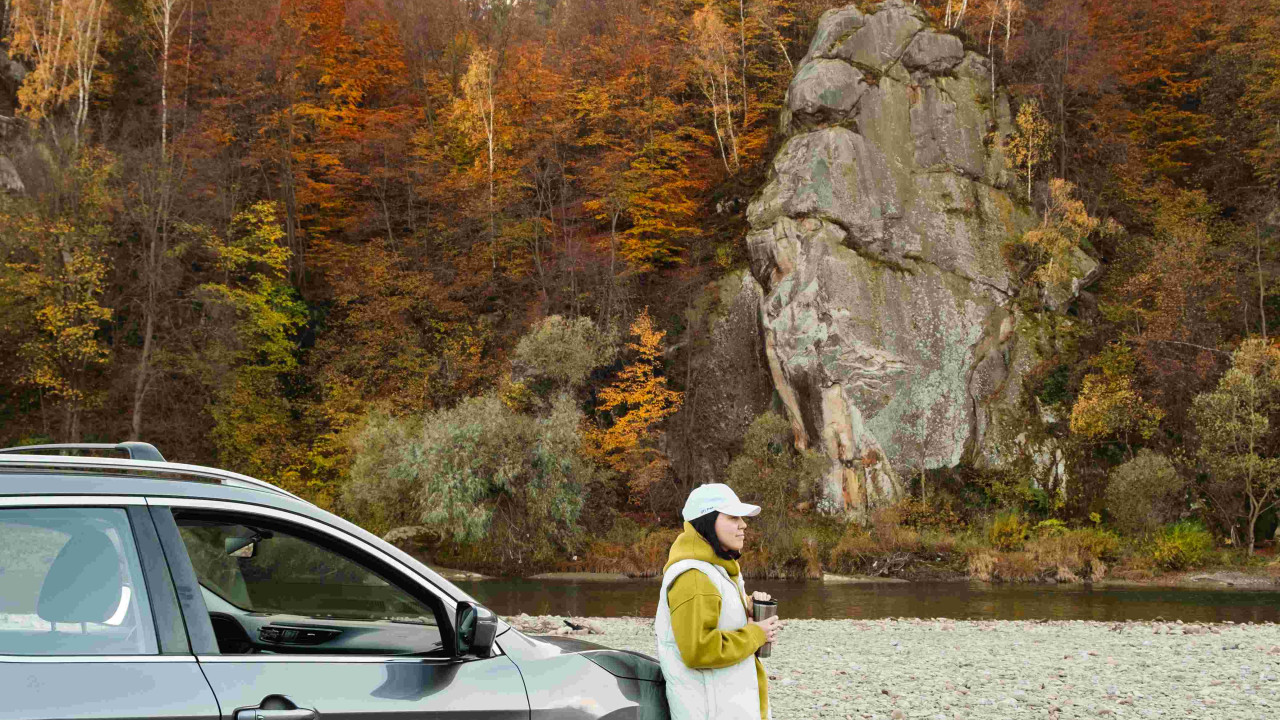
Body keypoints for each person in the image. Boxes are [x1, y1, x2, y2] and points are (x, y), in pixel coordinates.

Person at [655, 483, 780, 720]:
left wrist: (748, 612)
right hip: (711, 712)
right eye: (733, 517)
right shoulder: (694, 576)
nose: (743, 524)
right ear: (707, 520)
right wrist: (755, 634)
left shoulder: (716, 570)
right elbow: (699, 650)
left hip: (726, 707)